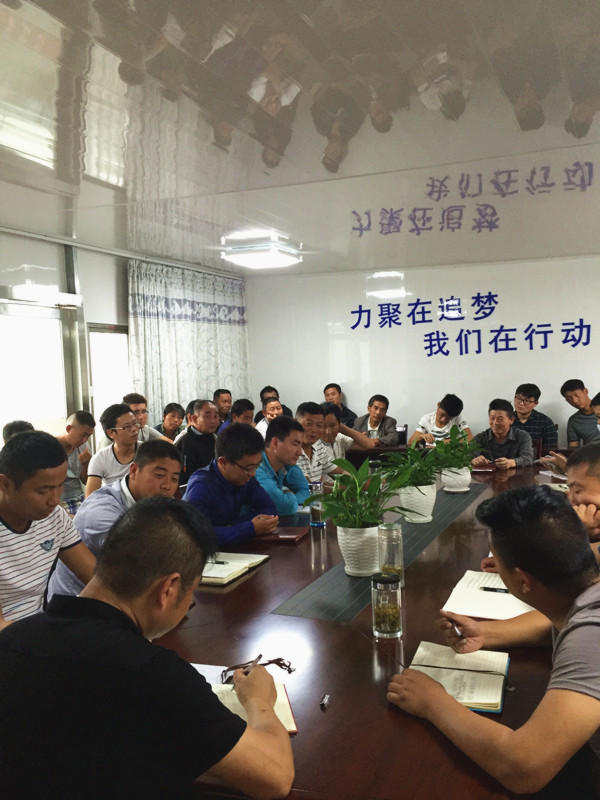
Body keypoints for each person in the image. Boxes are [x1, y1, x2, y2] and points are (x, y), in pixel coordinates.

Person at [0, 496, 294, 800]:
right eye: (192, 591)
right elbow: (275, 777)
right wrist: (258, 700)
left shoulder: (11, 641)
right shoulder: (150, 672)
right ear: (168, 588)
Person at [388, 485, 600, 795]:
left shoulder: (591, 636)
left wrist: (433, 702)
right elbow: (561, 620)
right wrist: (487, 633)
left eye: (498, 563)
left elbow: (523, 767)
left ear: (523, 580)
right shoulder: (584, 590)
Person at [48, 440, 182, 600]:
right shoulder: (102, 511)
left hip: (122, 595)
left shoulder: (157, 502)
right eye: (159, 475)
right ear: (134, 471)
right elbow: (140, 560)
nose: (167, 486)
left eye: (174, 479)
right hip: (77, 603)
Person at [0, 431, 95, 629]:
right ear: (5, 484)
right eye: (42, 491)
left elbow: (96, 579)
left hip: (35, 627)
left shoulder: (54, 516)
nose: (54, 500)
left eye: (60, 486)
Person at [183, 423, 278, 545]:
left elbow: (270, 509)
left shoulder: (245, 478)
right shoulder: (201, 486)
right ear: (223, 462)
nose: (253, 473)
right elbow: (197, 535)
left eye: (257, 466)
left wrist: (233, 526)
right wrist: (249, 528)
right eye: (248, 468)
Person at [255, 416, 309, 514]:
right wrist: (286, 499)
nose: (300, 452)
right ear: (275, 443)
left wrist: (287, 497)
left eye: (300, 445)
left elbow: (306, 490)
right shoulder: (255, 467)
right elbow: (284, 506)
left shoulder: (286, 463)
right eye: (295, 444)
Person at [86, 404, 139, 497]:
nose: (134, 429)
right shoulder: (100, 459)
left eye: (135, 424)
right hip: (113, 503)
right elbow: (90, 498)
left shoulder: (148, 452)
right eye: (127, 427)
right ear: (111, 433)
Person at [471, 399, 533, 470]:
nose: (495, 423)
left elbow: (528, 458)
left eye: (500, 419)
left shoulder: (522, 436)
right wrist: (474, 460)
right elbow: (466, 456)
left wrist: (511, 463)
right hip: (488, 476)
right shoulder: (481, 437)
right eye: (492, 418)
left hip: (516, 476)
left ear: (511, 420)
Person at [57, 410, 96, 514]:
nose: (85, 440)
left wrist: (85, 465)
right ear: (68, 428)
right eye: (83, 435)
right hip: (59, 501)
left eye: (88, 436)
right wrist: (65, 514)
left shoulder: (83, 447)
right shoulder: (51, 447)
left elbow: (86, 481)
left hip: (79, 498)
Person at [175, 399, 220, 486]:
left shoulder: (215, 438)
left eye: (215, 416)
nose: (213, 421)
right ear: (194, 419)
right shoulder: (185, 442)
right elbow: (184, 478)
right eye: (207, 416)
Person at [97, 393, 167, 447]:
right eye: (135, 412)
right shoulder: (110, 439)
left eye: (144, 411)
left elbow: (169, 443)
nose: (141, 417)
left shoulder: (145, 430)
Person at [295, 402, 341, 483]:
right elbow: (307, 485)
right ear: (295, 423)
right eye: (309, 424)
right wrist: (342, 488)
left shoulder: (318, 445)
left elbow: (340, 471)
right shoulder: (291, 450)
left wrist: (355, 482)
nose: (314, 430)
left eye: (319, 425)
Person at [511, 383, 557, 448]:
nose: (521, 403)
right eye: (518, 399)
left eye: (527, 400)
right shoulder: (506, 419)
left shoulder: (545, 422)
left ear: (535, 403)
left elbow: (550, 450)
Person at [561, 378, 600, 447]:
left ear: (585, 391)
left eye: (576, 395)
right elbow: (573, 448)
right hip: (591, 452)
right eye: (569, 398)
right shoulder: (573, 420)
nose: (575, 401)